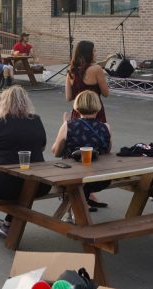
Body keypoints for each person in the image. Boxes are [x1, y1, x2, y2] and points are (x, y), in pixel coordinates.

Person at [0, 85, 49, 237]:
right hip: (38, 184)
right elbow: (42, 146)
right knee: (22, 187)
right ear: (26, 103)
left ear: (4, 102)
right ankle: (8, 223)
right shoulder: (36, 120)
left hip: (3, 184)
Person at [51, 90, 112, 218]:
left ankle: (71, 212)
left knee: (69, 171)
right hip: (100, 179)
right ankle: (74, 210)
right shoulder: (106, 127)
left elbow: (56, 153)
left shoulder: (68, 126)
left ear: (77, 106)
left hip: (72, 178)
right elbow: (107, 152)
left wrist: (64, 126)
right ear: (98, 106)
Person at [65, 40, 110, 123]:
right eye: (94, 51)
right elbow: (106, 93)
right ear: (88, 53)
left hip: (78, 111)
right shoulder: (96, 69)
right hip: (95, 111)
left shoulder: (71, 71)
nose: (96, 53)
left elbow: (68, 97)